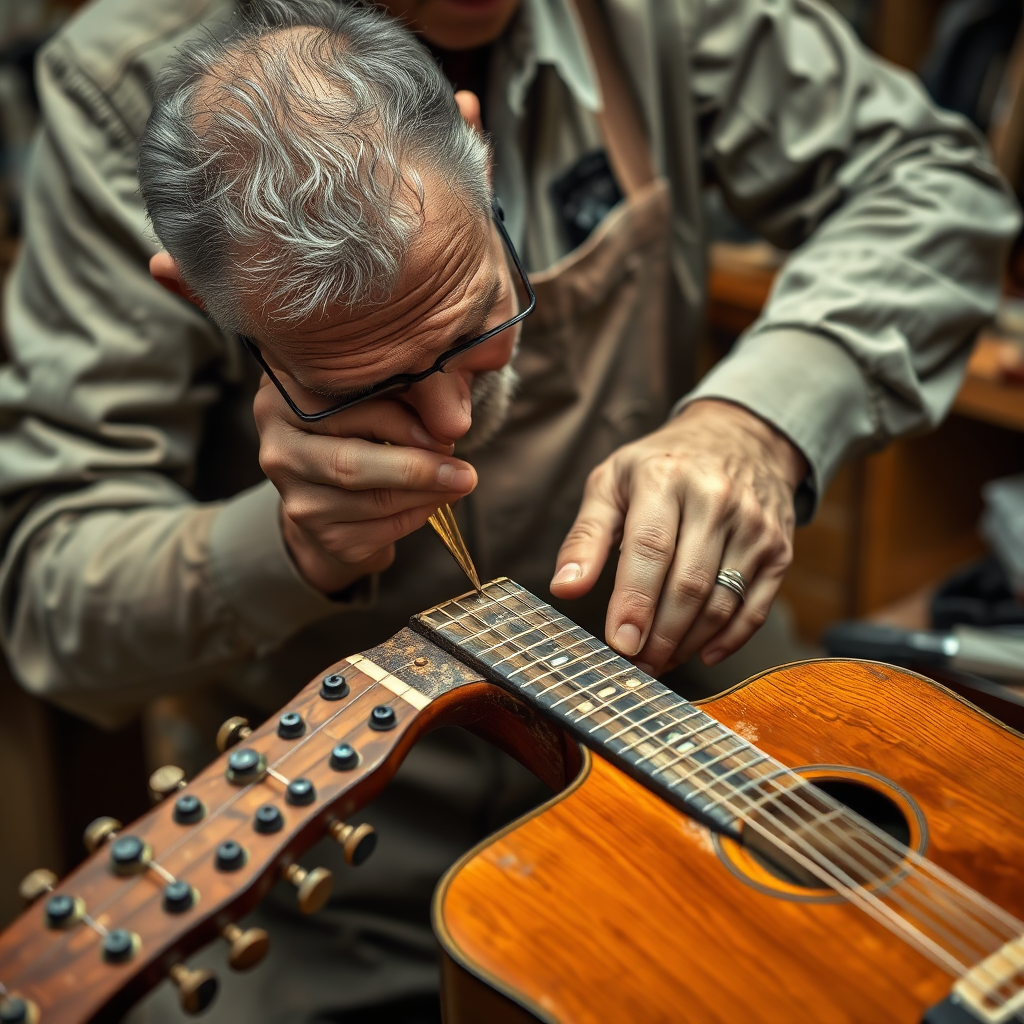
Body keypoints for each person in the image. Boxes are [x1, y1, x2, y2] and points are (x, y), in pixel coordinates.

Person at [0, 0, 1017, 1019]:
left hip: (707, 730)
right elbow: (51, 589)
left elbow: (932, 185)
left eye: (482, 324)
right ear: (199, 300)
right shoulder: (119, 84)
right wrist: (285, 545)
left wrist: (755, 422)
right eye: (369, 387)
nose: (450, 423)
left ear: (476, 150)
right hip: (359, 866)